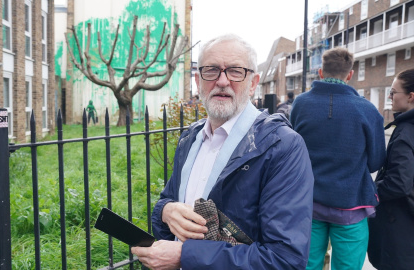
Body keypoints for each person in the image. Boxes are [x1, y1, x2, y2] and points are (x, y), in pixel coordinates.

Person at [131, 34, 314, 270]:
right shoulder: (191, 138)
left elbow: (284, 260)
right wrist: (166, 211)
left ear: (254, 83)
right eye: (211, 70)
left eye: (236, 71)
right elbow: (169, 199)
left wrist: (185, 256)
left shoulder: (283, 148)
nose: (222, 81)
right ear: (198, 81)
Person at [290, 47, 386, 270]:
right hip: (351, 204)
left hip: (308, 203)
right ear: (350, 74)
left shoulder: (301, 104)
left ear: (321, 72)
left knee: (307, 264)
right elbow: (375, 161)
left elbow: (293, 150)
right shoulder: (367, 110)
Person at [368, 68, 414, 270]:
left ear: (411, 96)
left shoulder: (405, 132)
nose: (390, 96)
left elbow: (398, 183)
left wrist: (370, 192)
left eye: (394, 92)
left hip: (399, 227)